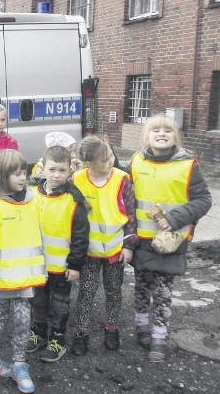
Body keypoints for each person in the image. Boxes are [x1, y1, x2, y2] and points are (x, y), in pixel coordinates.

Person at [128, 114, 211, 363]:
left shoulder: (188, 165)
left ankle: (159, 336)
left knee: (163, 290)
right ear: (146, 137)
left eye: (168, 130)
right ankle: (141, 327)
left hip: (171, 241)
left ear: (176, 137)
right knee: (142, 286)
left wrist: (175, 219)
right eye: (155, 131)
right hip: (142, 239)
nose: (162, 134)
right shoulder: (136, 161)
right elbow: (124, 194)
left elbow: (203, 200)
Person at [0, 149, 45, 394]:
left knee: (22, 321)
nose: (21, 178)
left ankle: (19, 364)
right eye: (15, 174)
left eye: (23, 173)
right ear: (0, 176)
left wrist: (42, 269)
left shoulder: (33, 200)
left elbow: (38, 237)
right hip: (1, 280)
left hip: (25, 277)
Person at [70, 135, 138, 356]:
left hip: (115, 251)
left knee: (114, 291)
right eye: (104, 159)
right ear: (89, 164)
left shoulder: (121, 179)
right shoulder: (77, 180)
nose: (111, 161)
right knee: (86, 293)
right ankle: (81, 332)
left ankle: (112, 327)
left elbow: (130, 214)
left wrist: (129, 244)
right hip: (88, 252)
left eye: (110, 155)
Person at [27, 146, 89, 363]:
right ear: (42, 168)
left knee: (60, 304)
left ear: (70, 170)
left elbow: (81, 236)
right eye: (52, 169)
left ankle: (57, 339)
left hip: (62, 267)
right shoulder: (31, 194)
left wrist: (75, 265)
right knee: (38, 301)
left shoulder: (74, 200)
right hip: (37, 264)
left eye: (62, 170)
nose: (56, 175)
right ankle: (39, 333)